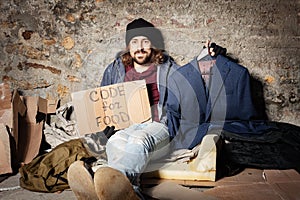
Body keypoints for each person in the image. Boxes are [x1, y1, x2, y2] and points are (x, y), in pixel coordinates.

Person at [67, 18, 226, 200]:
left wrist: (207, 56)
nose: (140, 47)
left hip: (158, 125)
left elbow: (192, 78)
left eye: (145, 41)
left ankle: (104, 185)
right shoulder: (116, 69)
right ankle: (130, 193)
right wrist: (106, 125)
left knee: (138, 139)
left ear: (153, 45)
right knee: (115, 142)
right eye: (134, 42)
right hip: (125, 127)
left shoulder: (167, 68)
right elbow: (104, 103)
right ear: (128, 46)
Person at [166, 46, 273, 150]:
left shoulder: (238, 74)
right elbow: (173, 121)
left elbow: (249, 119)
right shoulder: (178, 77)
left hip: (228, 139)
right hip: (189, 142)